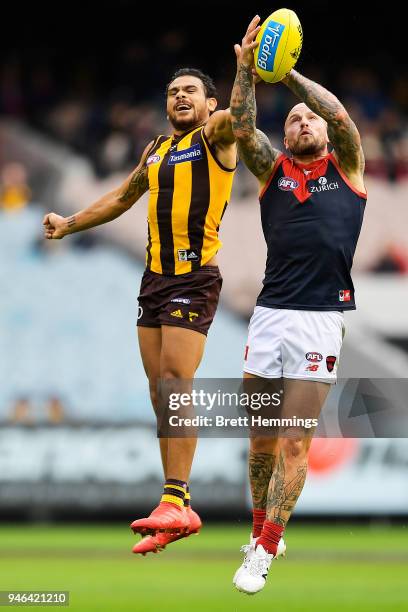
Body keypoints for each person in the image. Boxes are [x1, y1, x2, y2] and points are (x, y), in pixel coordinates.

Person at [43, 67, 237, 555]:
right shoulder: (156, 150)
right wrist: (69, 224)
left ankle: (175, 499)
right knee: (159, 393)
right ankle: (176, 503)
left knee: (175, 382)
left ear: (211, 104)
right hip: (154, 280)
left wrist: (246, 72)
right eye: (172, 93)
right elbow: (122, 198)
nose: (179, 98)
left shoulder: (216, 137)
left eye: (190, 90)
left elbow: (245, 116)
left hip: (193, 277)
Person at [229, 16, 366, 594]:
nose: (302, 120)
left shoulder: (348, 168)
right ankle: (263, 528)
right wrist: (245, 71)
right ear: (284, 139)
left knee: (293, 440)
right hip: (269, 315)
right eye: (292, 120)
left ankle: (261, 552)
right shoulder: (273, 172)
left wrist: (286, 75)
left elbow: (337, 112)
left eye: (307, 117)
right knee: (260, 441)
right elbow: (240, 125)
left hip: (318, 321)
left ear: (325, 135)